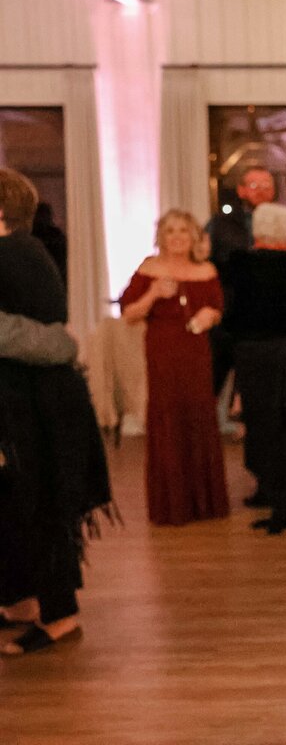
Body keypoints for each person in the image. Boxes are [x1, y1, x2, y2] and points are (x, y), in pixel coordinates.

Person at [0, 168, 112, 656]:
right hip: (28, 402)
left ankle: (59, 616)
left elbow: (47, 338)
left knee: (39, 505)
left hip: (35, 408)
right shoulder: (23, 251)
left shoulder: (17, 253)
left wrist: (62, 345)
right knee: (18, 505)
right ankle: (21, 602)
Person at [119, 210, 229, 526]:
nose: (178, 237)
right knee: (168, 417)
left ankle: (205, 504)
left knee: (199, 415)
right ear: (161, 237)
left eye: (183, 230)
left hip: (196, 353)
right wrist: (154, 293)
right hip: (163, 352)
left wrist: (212, 315)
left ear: (193, 237)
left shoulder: (206, 270)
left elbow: (218, 308)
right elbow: (129, 314)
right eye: (171, 231)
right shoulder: (149, 269)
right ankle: (172, 505)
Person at [225, 202, 286, 533]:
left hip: (251, 350)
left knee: (259, 421)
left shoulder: (239, 262)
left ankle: (266, 488)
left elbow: (232, 308)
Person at [207, 163, 275, 397]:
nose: (261, 191)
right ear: (241, 190)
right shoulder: (220, 224)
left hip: (264, 321)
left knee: (259, 391)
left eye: (267, 185)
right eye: (255, 185)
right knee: (212, 383)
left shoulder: (283, 223)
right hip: (227, 315)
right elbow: (205, 262)